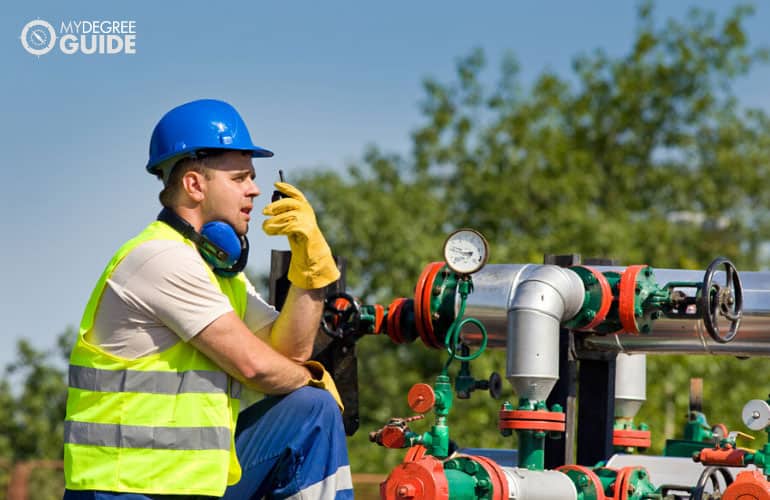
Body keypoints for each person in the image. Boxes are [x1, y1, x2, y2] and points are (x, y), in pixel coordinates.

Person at [62, 99, 352, 499]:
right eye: (239, 178)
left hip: (188, 485)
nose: (254, 189)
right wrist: (315, 379)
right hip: (124, 489)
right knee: (312, 398)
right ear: (195, 185)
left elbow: (290, 351)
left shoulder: (216, 272)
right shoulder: (162, 258)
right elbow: (256, 367)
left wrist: (310, 270)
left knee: (309, 410)